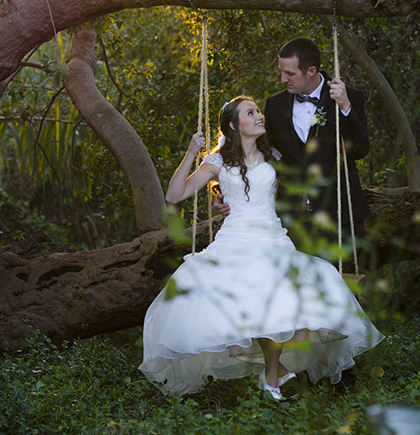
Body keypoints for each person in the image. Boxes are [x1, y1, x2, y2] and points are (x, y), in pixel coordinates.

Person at [139, 97, 383, 398]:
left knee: (283, 295)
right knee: (246, 296)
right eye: (250, 113)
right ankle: (273, 374)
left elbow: (296, 183)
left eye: (258, 111)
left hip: (272, 237)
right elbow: (175, 195)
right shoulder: (217, 161)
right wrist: (192, 153)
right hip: (235, 238)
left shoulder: (274, 155)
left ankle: (273, 374)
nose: (259, 116)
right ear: (233, 125)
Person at [216, 38, 370, 247]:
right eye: (282, 71)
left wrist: (345, 107)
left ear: (311, 71)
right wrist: (227, 190)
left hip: (339, 215)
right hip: (292, 220)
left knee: (342, 269)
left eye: (290, 73)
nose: (282, 79)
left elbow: (360, 150)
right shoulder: (275, 104)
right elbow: (259, 153)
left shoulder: (349, 97)